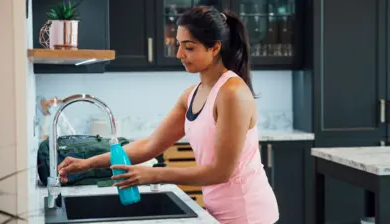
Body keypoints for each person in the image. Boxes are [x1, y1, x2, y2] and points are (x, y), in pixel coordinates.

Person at [58, 5, 279, 224]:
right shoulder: (191, 95)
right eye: (178, 45)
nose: (179, 54)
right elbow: (150, 145)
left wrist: (154, 175)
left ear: (215, 48)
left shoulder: (232, 93)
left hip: (248, 213)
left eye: (189, 47)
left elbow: (222, 172)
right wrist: (88, 163)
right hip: (217, 211)